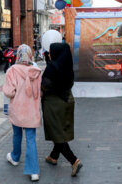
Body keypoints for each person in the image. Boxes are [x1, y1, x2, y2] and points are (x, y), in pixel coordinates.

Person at [41, 43, 83, 177]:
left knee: (56, 133)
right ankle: (53, 157)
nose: (49, 54)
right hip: (68, 101)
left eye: (51, 52)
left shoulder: (52, 68)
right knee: (59, 130)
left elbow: (45, 86)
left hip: (54, 105)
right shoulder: (66, 67)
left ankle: (74, 160)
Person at [2, 44, 42, 182]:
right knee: (31, 139)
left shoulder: (12, 70)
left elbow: (9, 92)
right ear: (30, 55)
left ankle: (15, 157)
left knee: (17, 133)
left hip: (17, 110)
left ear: (18, 55)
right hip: (32, 111)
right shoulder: (36, 71)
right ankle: (34, 171)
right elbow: (40, 92)